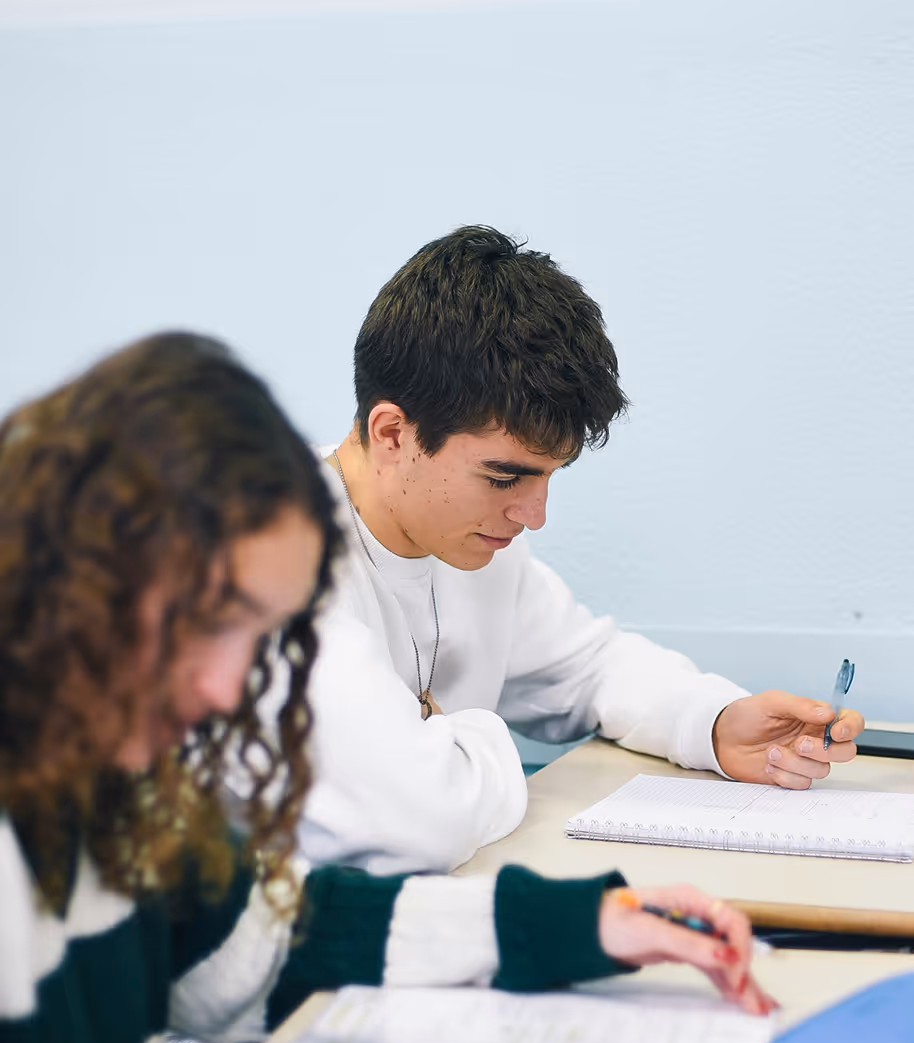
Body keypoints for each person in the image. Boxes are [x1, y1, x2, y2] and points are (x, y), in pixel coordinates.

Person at [0, 333, 774, 1043]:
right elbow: (421, 814)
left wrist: (586, 924)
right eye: (209, 625)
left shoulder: (130, 792)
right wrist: (480, 734)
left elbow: (250, 947)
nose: (230, 688)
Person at [296, 225, 866, 875]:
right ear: (393, 432)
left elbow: (588, 668)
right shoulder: (269, 561)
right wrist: (484, 737)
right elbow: (418, 824)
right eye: (505, 477)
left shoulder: (473, 546)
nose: (532, 515)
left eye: (549, 475)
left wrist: (712, 723)